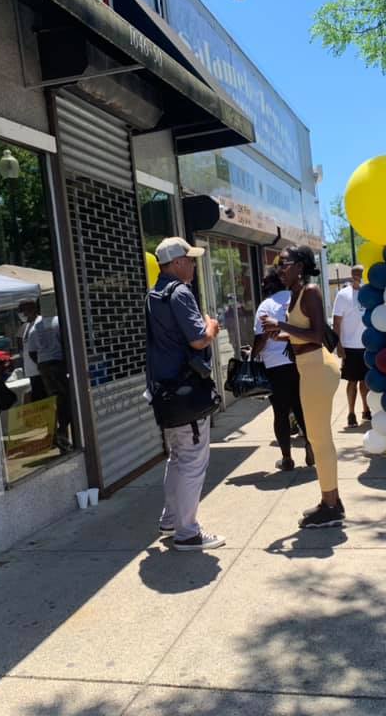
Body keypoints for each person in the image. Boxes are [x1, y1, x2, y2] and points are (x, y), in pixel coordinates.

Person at [146, 236, 224, 551]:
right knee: (192, 460)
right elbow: (198, 340)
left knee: (177, 457)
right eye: (189, 260)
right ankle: (187, 532)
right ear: (177, 263)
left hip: (165, 392)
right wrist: (212, 326)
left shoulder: (153, 295)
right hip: (185, 392)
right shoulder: (179, 293)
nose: (193, 265)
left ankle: (170, 519)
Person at [261, 245, 344, 529]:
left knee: (319, 440)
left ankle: (330, 506)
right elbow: (302, 336)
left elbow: (317, 334)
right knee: (319, 438)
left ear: (300, 265)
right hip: (308, 368)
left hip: (317, 369)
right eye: (278, 264)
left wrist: (281, 324)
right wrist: (280, 333)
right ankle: (331, 500)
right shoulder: (296, 294)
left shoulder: (310, 292)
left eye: (284, 263)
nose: (279, 269)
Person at [253, 270, 314, 471]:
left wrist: (252, 354)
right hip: (300, 361)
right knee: (301, 407)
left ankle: (287, 458)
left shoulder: (266, 306)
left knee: (280, 413)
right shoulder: (296, 299)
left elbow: (261, 338)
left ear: (267, 287)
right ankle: (310, 444)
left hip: (275, 366)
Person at [28, 312, 72, 453]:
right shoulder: (58, 321)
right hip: (58, 364)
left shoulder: (35, 327)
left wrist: (43, 365)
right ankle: (62, 433)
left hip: (44, 366)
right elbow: (67, 344)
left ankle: (57, 434)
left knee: (55, 400)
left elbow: (32, 351)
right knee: (65, 400)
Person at [332, 264, 370, 427]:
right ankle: (351, 413)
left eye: (360, 274)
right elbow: (336, 322)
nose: (358, 276)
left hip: (369, 345)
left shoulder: (371, 293)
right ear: (351, 275)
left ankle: (366, 410)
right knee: (352, 381)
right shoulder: (343, 295)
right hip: (350, 346)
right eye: (355, 274)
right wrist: (338, 345)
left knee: (366, 381)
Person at [17, 300, 46, 401]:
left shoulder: (40, 323)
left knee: (42, 398)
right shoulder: (27, 325)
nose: (21, 314)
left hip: (40, 371)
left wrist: (40, 365)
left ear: (33, 309)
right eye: (20, 311)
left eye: (23, 310)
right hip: (32, 372)